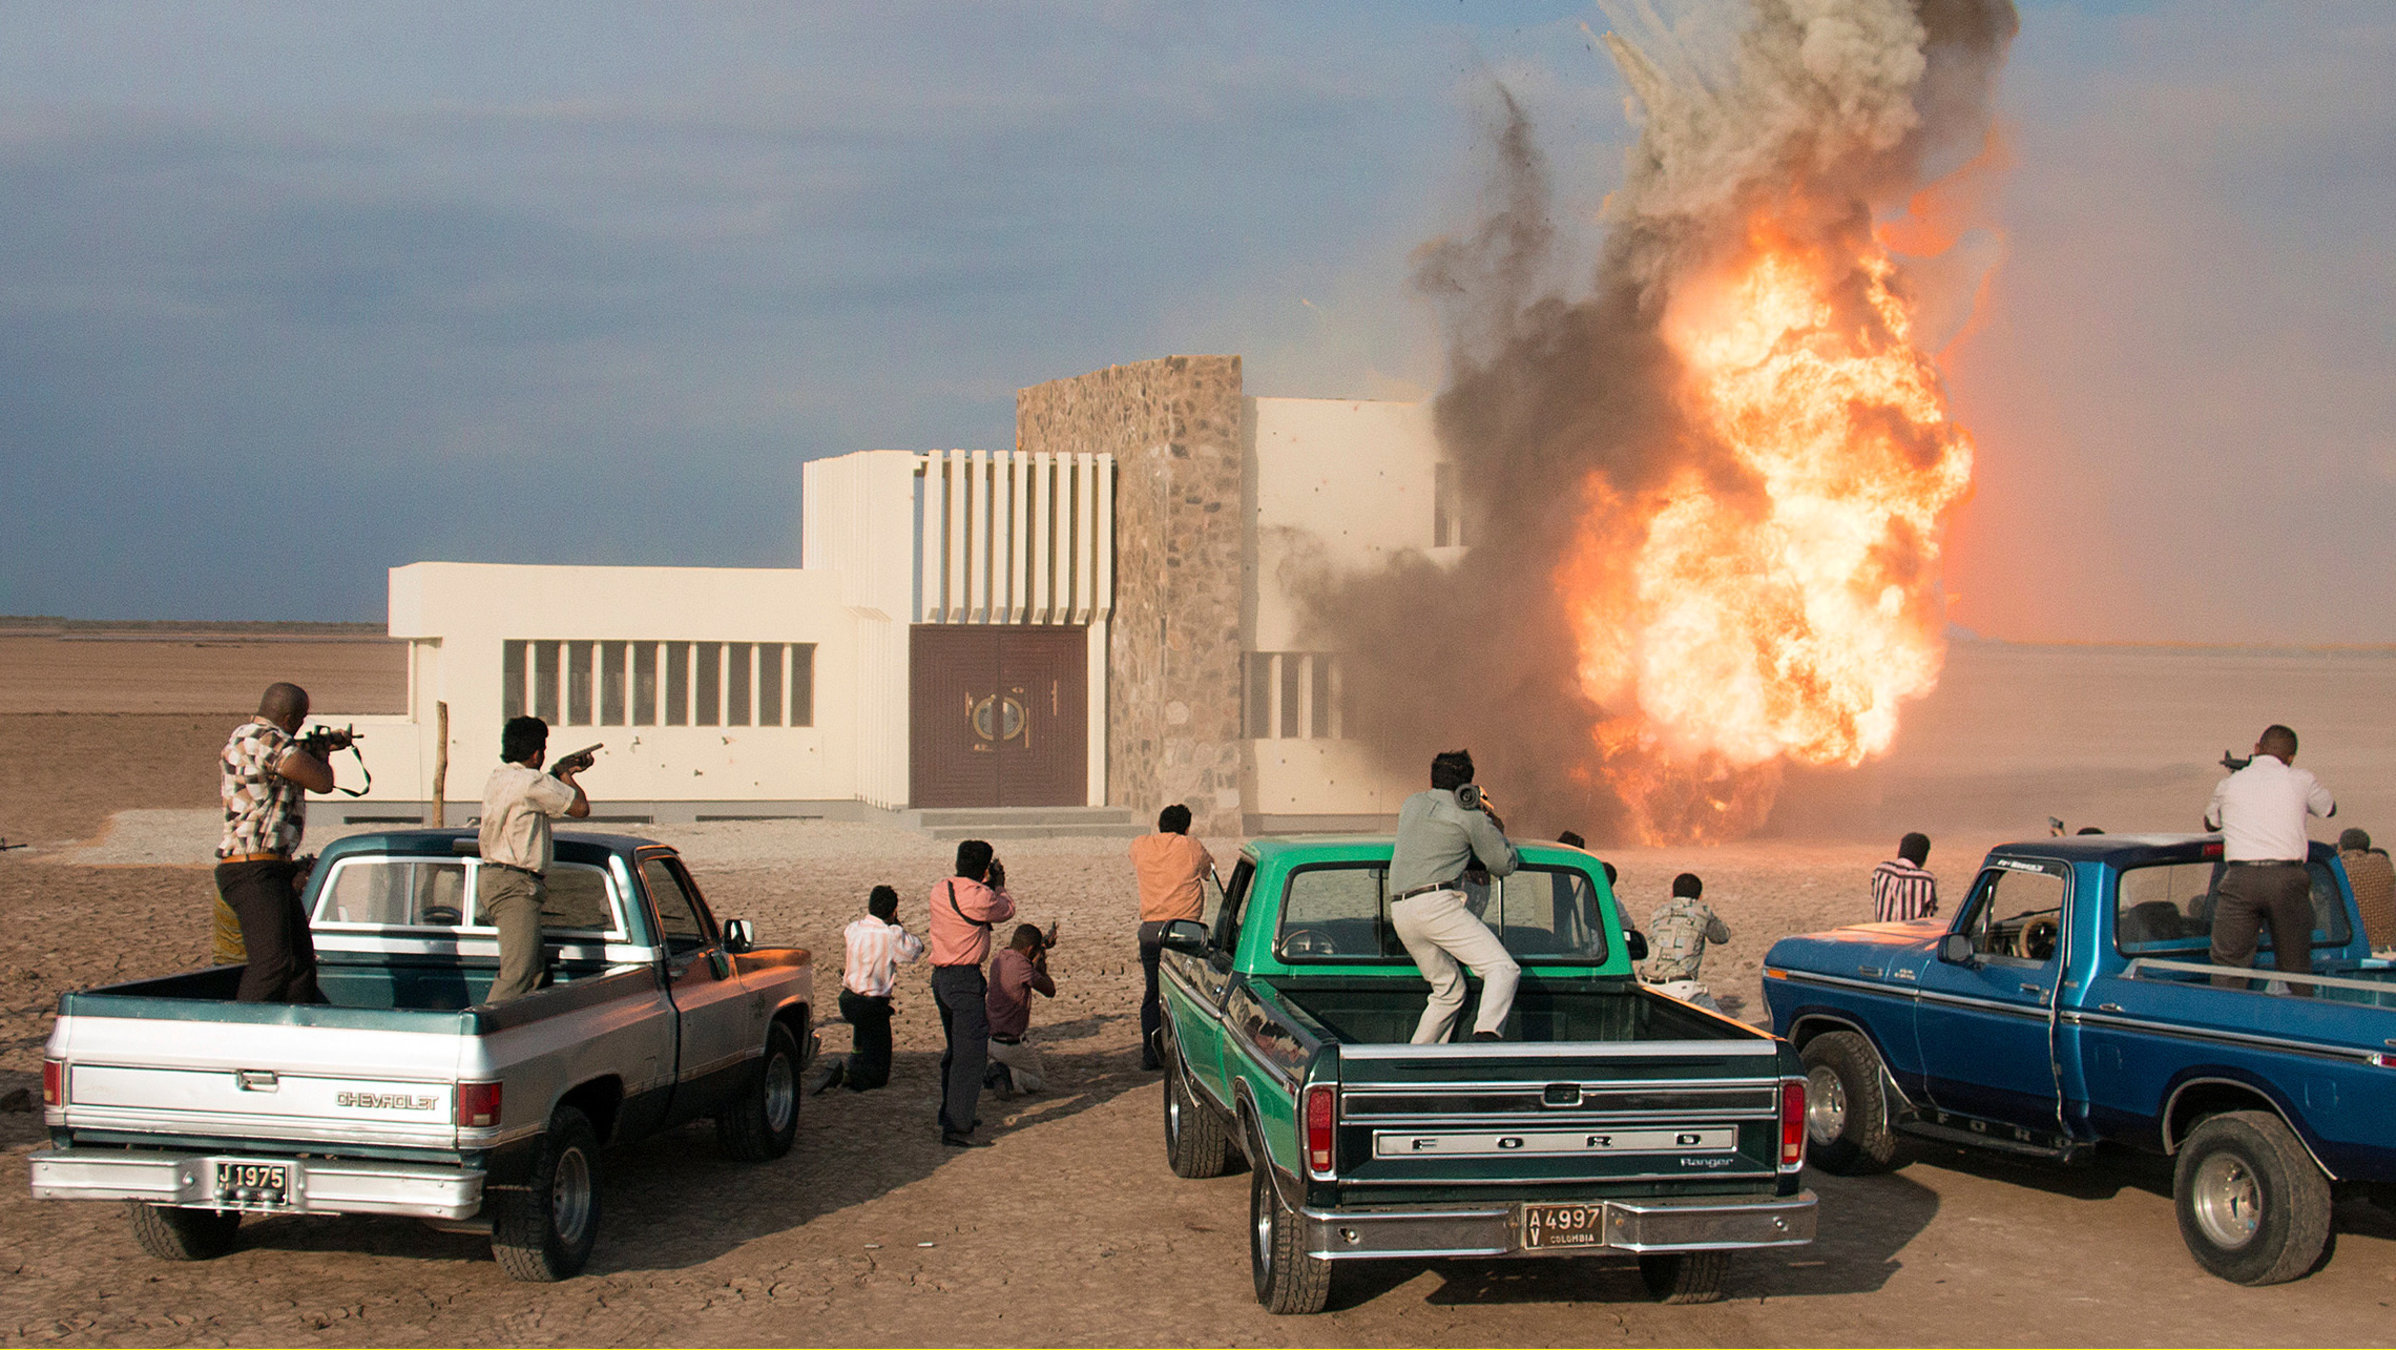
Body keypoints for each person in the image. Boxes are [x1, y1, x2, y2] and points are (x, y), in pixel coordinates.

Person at [215, 682, 344, 1002]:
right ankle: (239, 1033)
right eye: (300, 720)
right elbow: (322, 781)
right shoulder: (267, 741)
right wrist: (321, 753)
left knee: (299, 966)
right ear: (288, 719)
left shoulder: (246, 738)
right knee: (273, 964)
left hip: (263, 868)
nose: (301, 726)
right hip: (254, 868)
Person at [1387, 749, 1521, 1044]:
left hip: (1401, 909)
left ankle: (1416, 1063)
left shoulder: (1412, 805)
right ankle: (1485, 1039)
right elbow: (1503, 864)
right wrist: (1487, 822)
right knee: (1503, 969)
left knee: (1448, 991)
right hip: (1435, 905)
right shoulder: (1469, 817)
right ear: (1466, 786)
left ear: (1431, 778)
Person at [2205, 724, 2335, 990]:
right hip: (2287, 879)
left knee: (2229, 964)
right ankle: (2300, 1020)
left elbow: (2211, 823)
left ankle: (2226, 1025)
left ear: (2256, 749)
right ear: (2290, 758)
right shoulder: (2301, 779)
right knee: (2296, 964)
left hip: (2241, 879)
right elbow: (2329, 809)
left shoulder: (2229, 784)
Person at [475, 715, 590, 1004]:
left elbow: (534, 792)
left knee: (536, 974)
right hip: (516, 884)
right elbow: (579, 808)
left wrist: (554, 773)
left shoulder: (498, 776)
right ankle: (481, 1032)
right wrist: (567, 775)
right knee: (520, 974)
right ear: (537, 752)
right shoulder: (531, 781)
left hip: (497, 878)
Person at [928, 839, 1014, 1147]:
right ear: (983, 868)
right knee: (971, 1056)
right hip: (965, 979)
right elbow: (1006, 910)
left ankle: (950, 1111)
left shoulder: (941, 889)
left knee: (955, 1052)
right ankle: (958, 1126)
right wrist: (999, 885)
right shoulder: (981, 896)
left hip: (941, 978)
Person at [1129, 803, 1213, 1071]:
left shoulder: (1141, 845)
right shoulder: (1191, 847)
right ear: (1187, 828)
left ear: (1159, 824)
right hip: (1183, 931)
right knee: (1189, 993)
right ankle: (1189, 1055)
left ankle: (1150, 1053)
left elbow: (1134, 857)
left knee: (1153, 991)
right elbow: (1208, 872)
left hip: (1151, 930)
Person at [831, 884, 924, 1093]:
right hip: (872, 1005)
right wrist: (897, 925)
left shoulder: (853, 928)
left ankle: (855, 1061)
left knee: (863, 1032)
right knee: (878, 1072)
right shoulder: (891, 934)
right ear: (893, 911)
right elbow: (915, 949)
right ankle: (851, 1076)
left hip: (848, 999)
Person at [986, 923, 1057, 1095]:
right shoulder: (1023, 968)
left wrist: (1039, 950)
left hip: (991, 1040)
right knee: (1038, 1081)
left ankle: (994, 1069)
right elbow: (1049, 990)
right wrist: (1041, 964)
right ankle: (1007, 1075)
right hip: (1011, 1044)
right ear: (1030, 949)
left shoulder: (1000, 957)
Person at [1647, 872, 1731, 986]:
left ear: (1672, 895)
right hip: (1680, 983)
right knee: (1706, 1005)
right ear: (1699, 897)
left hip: (1647, 982)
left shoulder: (1658, 912)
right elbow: (1722, 937)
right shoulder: (1702, 911)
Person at [2338, 828, 2396, 951]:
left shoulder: (2339, 867)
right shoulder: (2382, 862)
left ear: (2341, 848)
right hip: (2388, 944)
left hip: (2354, 945)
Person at [1870, 833, 1939, 922]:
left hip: (1885, 932)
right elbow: (1930, 911)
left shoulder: (1880, 870)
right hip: (1912, 934)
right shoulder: (1926, 879)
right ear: (1924, 856)